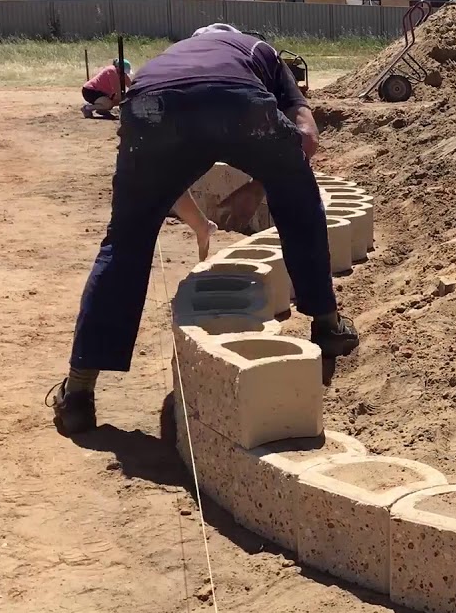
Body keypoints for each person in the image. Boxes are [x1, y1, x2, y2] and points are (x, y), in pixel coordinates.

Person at [50, 23, 360, 436]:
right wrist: (260, 186)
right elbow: (305, 137)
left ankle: (78, 394)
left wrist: (211, 201)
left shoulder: (165, 61)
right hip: (239, 103)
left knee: (124, 243)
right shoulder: (258, 50)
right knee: (301, 204)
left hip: (153, 107)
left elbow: (164, 177)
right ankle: (327, 325)